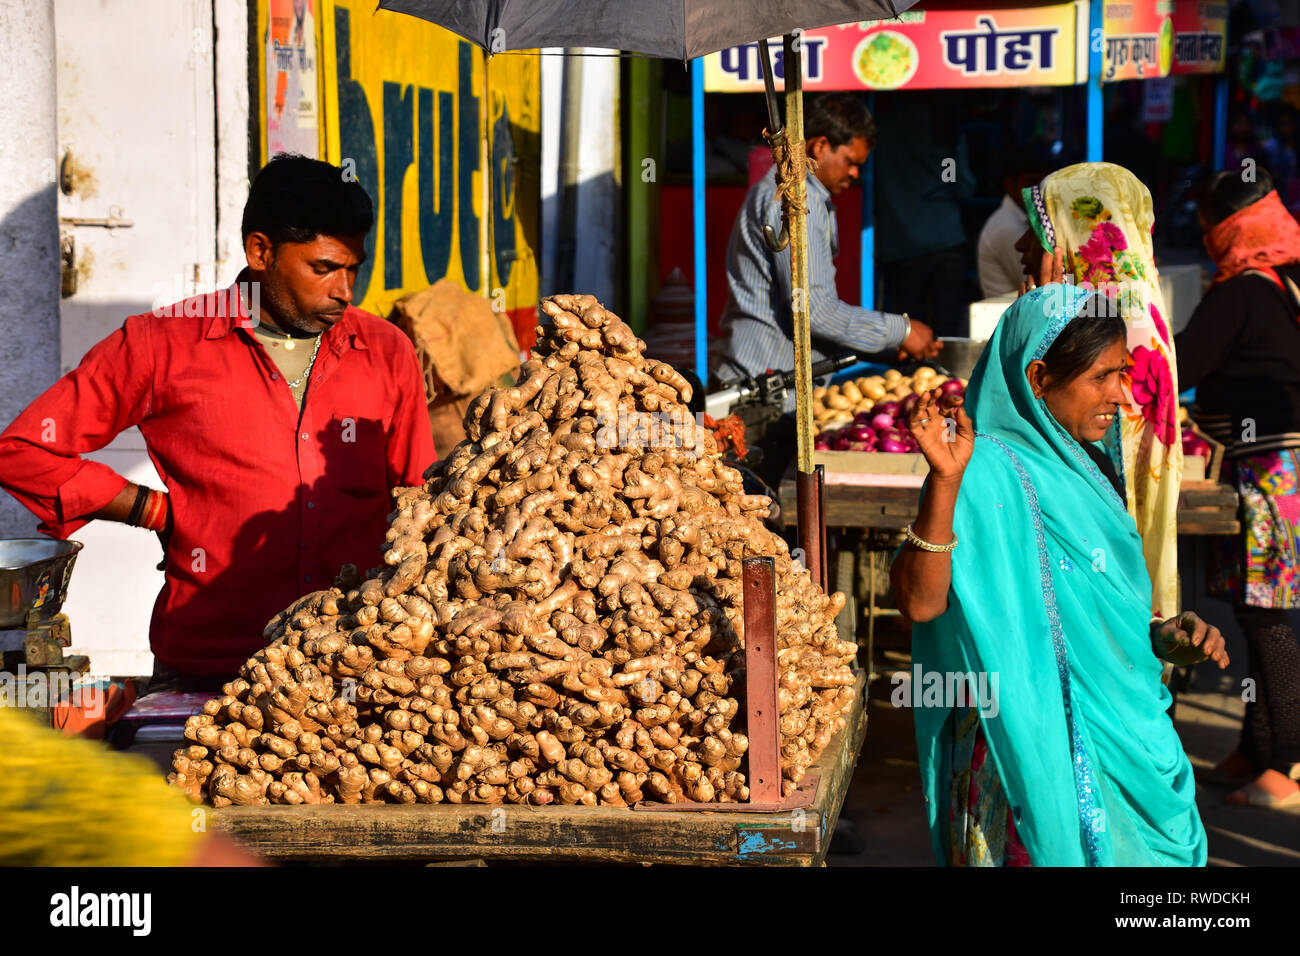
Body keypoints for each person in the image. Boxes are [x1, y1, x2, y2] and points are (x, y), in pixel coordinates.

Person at [0, 154, 437, 690]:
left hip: (355, 662)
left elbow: (420, 501)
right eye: (323, 268)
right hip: (212, 664)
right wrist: (152, 510)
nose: (344, 290)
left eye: (354, 268)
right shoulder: (163, 344)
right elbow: (22, 451)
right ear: (261, 251)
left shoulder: (386, 350)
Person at [891, 283, 1228, 866]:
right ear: (1039, 377)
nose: (1119, 396)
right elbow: (921, 606)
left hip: (1126, 734)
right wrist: (944, 484)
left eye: (1121, 374)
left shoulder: (1089, 467)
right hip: (1025, 755)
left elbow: (1096, 607)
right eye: (1100, 377)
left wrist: (1162, 634)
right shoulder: (980, 467)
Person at [717, 92, 939, 485]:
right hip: (762, 401)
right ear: (820, 146)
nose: (855, 175)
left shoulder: (799, 196)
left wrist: (888, 347)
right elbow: (814, 312)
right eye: (850, 162)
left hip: (773, 391)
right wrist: (901, 329)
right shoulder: (793, 200)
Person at [1175, 167, 1300, 808]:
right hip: (1273, 467)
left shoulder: (1241, 292)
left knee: (1266, 616)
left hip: (1270, 470)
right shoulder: (1279, 280)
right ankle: (1256, 748)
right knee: (1256, 613)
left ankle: (1288, 764)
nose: (1205, 243)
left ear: (1232, 229)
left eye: (1208, 231)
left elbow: (1185, 365)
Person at [1015, 162, 1182, 620]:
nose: (1020, 245)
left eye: (1037, 231)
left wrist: (1039, 324)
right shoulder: (1144, 327)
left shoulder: (1100, 344)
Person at [873, 92, 978, 337]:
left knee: (909, 331)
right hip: (945, 239)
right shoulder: (944, 131)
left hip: (900, 244)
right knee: (948, 330)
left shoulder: (882, 129)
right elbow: (961, 185)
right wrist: (940, 178)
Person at [976, 149, 1053, 298]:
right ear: (1010, 184)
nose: (1037, 191)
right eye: (1031, 183)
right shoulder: (1006, 227)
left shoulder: (1022, 218)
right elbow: (1037, 279)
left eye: (1043, 184)